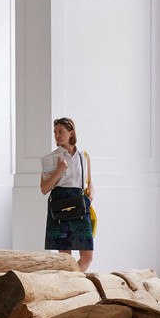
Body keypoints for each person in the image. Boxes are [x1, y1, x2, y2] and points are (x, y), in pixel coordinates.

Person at [40, 116, 94, 271]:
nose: (56, 135)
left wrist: (90, 196)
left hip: (80, 204)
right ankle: (71, 282)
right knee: (66, 259)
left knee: (87, 257)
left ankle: (71, 280)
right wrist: (59, 170)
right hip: (60, 204)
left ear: (71, 133)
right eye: (55, 132)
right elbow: (44, 189)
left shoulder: (84, 156)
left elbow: (89, 182)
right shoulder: (51, 158)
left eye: (60, 131)